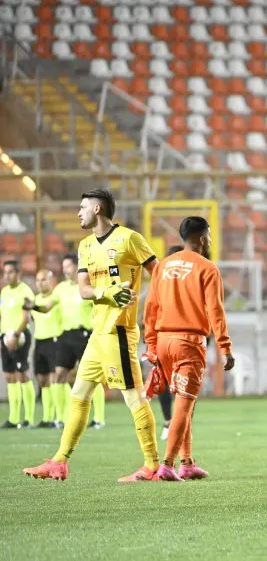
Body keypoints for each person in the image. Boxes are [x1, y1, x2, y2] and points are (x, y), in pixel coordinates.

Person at [23, 188, 162, 482]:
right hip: (98, 333)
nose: (78, 213)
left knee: (133, 397)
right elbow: (84, 289)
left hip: (119, 331)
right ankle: (59, 461)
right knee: (78, 394)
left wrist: (154, 310)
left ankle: (152, 465)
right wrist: (106, 292)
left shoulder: (130, 239)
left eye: (83, 207)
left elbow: (158, 273)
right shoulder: (85, 246)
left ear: (98, 209)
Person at [144, 217, 234, 481]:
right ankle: (168, 464)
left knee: (185, 402)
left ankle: (187, 462)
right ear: (203, 238)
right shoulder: (207, 268)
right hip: (189, 344)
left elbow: (151, 308)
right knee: (184, 405)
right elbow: (215, 311)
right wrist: (225, 347)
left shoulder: (162, 266)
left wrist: (151, 345)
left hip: (163, 341)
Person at [51, 253, 98, 429]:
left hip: (84, 334)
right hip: (65, 336)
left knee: (89, 376)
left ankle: (97, 417)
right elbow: (48, 305)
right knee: (59, 375)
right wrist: (32, 306)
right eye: (63, 268)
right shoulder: (60, 288)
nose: (65, 270)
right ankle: (61, 417)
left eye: (68, 267)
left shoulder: (86, 287)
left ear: (77, 267)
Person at [153, 244, 184, 440]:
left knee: (184, 384)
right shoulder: (160, 283)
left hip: (185, 338)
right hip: (163, 337)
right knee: (162, 382)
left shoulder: (190, 285)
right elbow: (150, 311)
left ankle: (181, 424)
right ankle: (167, 420)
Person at [1, 260, 34, 428]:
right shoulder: (4, 292)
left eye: (10, 272)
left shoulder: (25, 291)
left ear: (17, 273)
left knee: (22, 374)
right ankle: (14, 418)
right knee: (10, 376)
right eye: (5, 272)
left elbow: (26, 317)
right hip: (5, 337)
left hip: (20, 337)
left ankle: (28, 418)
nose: (7, 275)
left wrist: (15, 335)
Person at [29, 270, 61, 428]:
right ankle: (47, 417)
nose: (40, 283)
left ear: (51, 281)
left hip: (54, 340)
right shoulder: (34, 300)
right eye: (38, 280)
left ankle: (60, 416)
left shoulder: (55, 298)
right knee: (42, 380)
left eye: (44, 280)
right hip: (39, 341)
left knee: (56, 379)